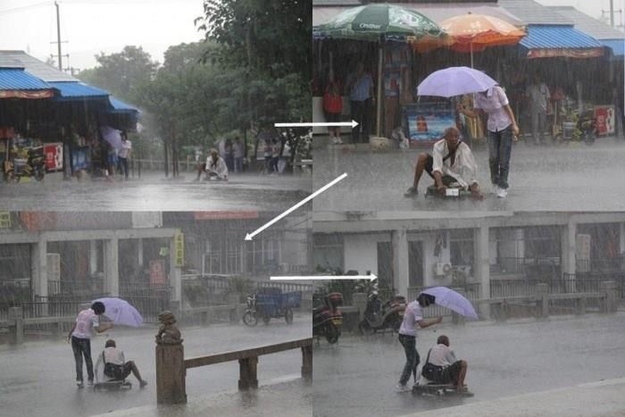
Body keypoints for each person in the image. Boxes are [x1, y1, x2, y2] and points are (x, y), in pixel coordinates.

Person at [458, 85, 519, 198]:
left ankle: (503, 186)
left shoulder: (497, 91)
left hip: (505, 125)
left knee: (503, 158)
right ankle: (495, 182)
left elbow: (508, 108)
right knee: (493, 157)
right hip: (491, 127)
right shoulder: (477, 96)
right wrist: (463, 111)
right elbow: (475, 114)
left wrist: (514, 124)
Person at [404, 126, 483, 199]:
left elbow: (470, 168)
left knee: (457, 184)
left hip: (456, 177)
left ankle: (446, 184)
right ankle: (414, 188)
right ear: (445, 137)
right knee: (422, 157)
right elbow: (437, 168)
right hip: (442, 173)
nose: (454, 139)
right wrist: (440, 185)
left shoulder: (464, 148)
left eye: (456, 136)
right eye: (451, 136)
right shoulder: (438, 146)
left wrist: (474, 185)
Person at [396, 293, 443, 392]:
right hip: (408, 336)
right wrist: (435, 321)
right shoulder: (417, 308)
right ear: (424, 301)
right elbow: (422, 324)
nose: (428, 306)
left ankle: (416, 382)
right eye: (428, 303)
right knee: (411, 361)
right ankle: (401, 384)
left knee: (415, 360)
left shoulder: (413, 304)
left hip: (402, 334)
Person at [67, 301, 113, 388]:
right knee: (88, 359)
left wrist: (69, 334)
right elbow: (98, 330)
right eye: (101, 313)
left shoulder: (82, 312)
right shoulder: (94, 316)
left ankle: (79, 381)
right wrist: (109, 326)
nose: (100, 315)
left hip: (75, 338)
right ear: (98, 311)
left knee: (78, 360)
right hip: (84, 339)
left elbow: (75, 325)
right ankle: (90, 380)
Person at [345, 62, 374, 144]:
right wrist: (354, 80)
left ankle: (365, 137)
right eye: (358, 67)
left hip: (366, 99)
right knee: (355, 120)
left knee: (366, 120)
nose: (359, 69)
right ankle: (355, 137)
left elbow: (371, 88)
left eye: (361, 67)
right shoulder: (351, 76)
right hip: (355, 100)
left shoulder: (367, 77)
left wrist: (373, 98)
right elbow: (347, 87)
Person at [526, 72, 551, 145]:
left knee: (542, 124)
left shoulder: (544, 86)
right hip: (534, 107)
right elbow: (528, 98)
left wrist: (548, 106)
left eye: (537, 77)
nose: (536, 79)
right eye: (535, 77)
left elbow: (548, 97)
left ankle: (542, 138)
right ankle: (535, 139)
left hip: (543, 107)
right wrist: (528, 107)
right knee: (535, 124)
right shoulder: (530, 87)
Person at [323, 69, 343, 145]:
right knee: (331, 123)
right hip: (329, 108)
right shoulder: (326, 86)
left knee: (337, 123)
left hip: (337, 107)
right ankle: (332, 137)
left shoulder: (337, 84)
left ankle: (338, 137)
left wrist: (341, 107)